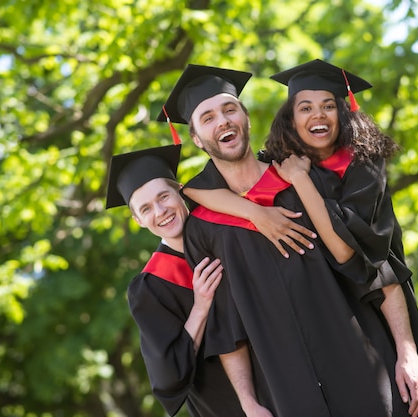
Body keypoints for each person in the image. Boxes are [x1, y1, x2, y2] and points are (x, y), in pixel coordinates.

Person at [158, 64, 398, 417]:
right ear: (195, 138)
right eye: (207, 118)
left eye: (229, 110)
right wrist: (247, 401)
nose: (222, 121)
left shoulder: (301, 179)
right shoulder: (202, 226)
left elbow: (371, 264)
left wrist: (405, 350)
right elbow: (226, 326)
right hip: (284, 388)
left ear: (246, 117)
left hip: (357, 362)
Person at [104, 144, 270, 416]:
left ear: (180, 190)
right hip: (226, 408)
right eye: (145, 209)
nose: (160, 211)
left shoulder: (229, 233)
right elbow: (169, 375)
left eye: (163, 197)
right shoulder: (150, 288)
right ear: (137, 220)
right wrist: (200, 308)